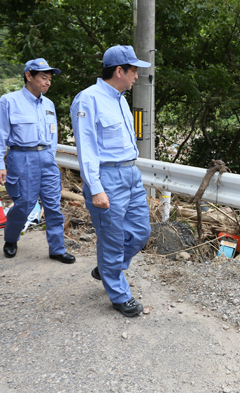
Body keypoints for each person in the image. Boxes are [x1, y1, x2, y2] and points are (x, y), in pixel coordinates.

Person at [70, 45, 151, 317]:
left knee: (140, 232)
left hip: (130, 173)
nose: (136, 77)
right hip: (106, 176)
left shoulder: (120, 98)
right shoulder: (88, 100)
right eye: (134, 71)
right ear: (119, 71)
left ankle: (107, 268)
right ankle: (118, 294)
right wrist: (96, 188)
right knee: (113, 238)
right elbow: (87, 148)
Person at [0, 58, 75, 264]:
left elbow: (53, 134)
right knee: (24, 204)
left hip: (46, 157)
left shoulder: (48, 104)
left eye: (49, 79)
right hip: (21, 156)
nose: (48, 82)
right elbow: (0, 134)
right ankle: (11, 238)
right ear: (29, 76)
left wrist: (50, 157)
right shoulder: (9, 101)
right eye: (43, 77)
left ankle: (57, 248)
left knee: (53, 205)